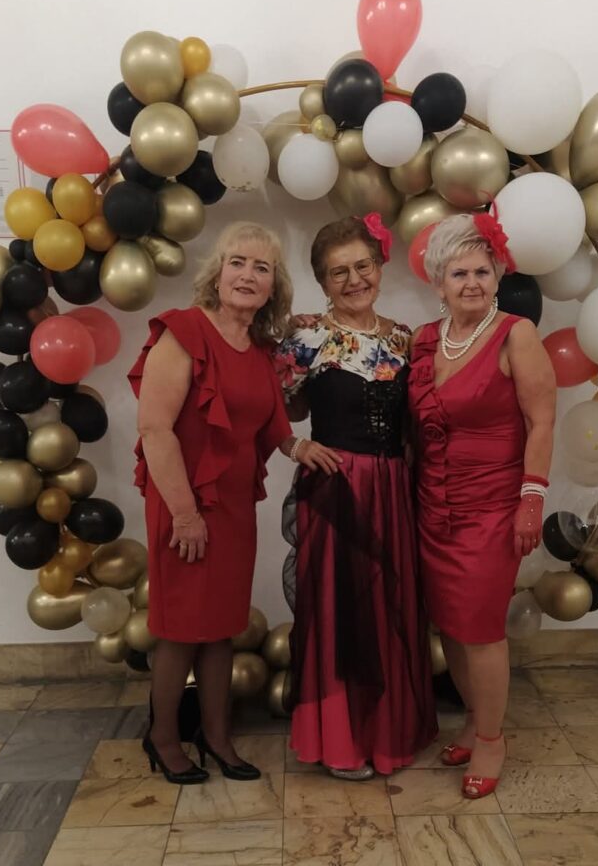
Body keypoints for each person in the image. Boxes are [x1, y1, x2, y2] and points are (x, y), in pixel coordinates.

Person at [129, 221, 339, 785]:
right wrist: (185, 514)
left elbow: (271, 426)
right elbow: (155, 430)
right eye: (237, 262)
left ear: (273, 287)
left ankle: (217, 737)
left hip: (234, 507)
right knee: (180, 629)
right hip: (183, 505)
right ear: (217, 273)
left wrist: (300, 447)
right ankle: (163, 737)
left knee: (221, 625)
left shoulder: (261, 351)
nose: (247, 275)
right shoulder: (184, 332)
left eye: (261, 267)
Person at [274, 213, 437, 779]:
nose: (353, 280)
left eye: (362, 266)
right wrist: (294, 446)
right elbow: (271, 408)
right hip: (337, 491)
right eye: (338, 272)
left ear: (380, 267)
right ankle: (342, 742)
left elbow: (418, 421)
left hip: (393, 490)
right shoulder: (305, 338)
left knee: (390, 610)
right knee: (341, 614)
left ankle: (386, 736)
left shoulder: (404, 339)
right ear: (322, 281)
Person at [408, 210, 556, 799]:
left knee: (482, 627)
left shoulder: (517, 334)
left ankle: (492, 740)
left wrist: (531, 500)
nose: (472, 283)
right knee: (450, 623)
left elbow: (541, 421)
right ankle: (473, 721)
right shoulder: (424, 341)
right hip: (432, 507)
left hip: (492, 508)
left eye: (482, 272)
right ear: (439, 284)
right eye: (459, 273)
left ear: (497, 277)